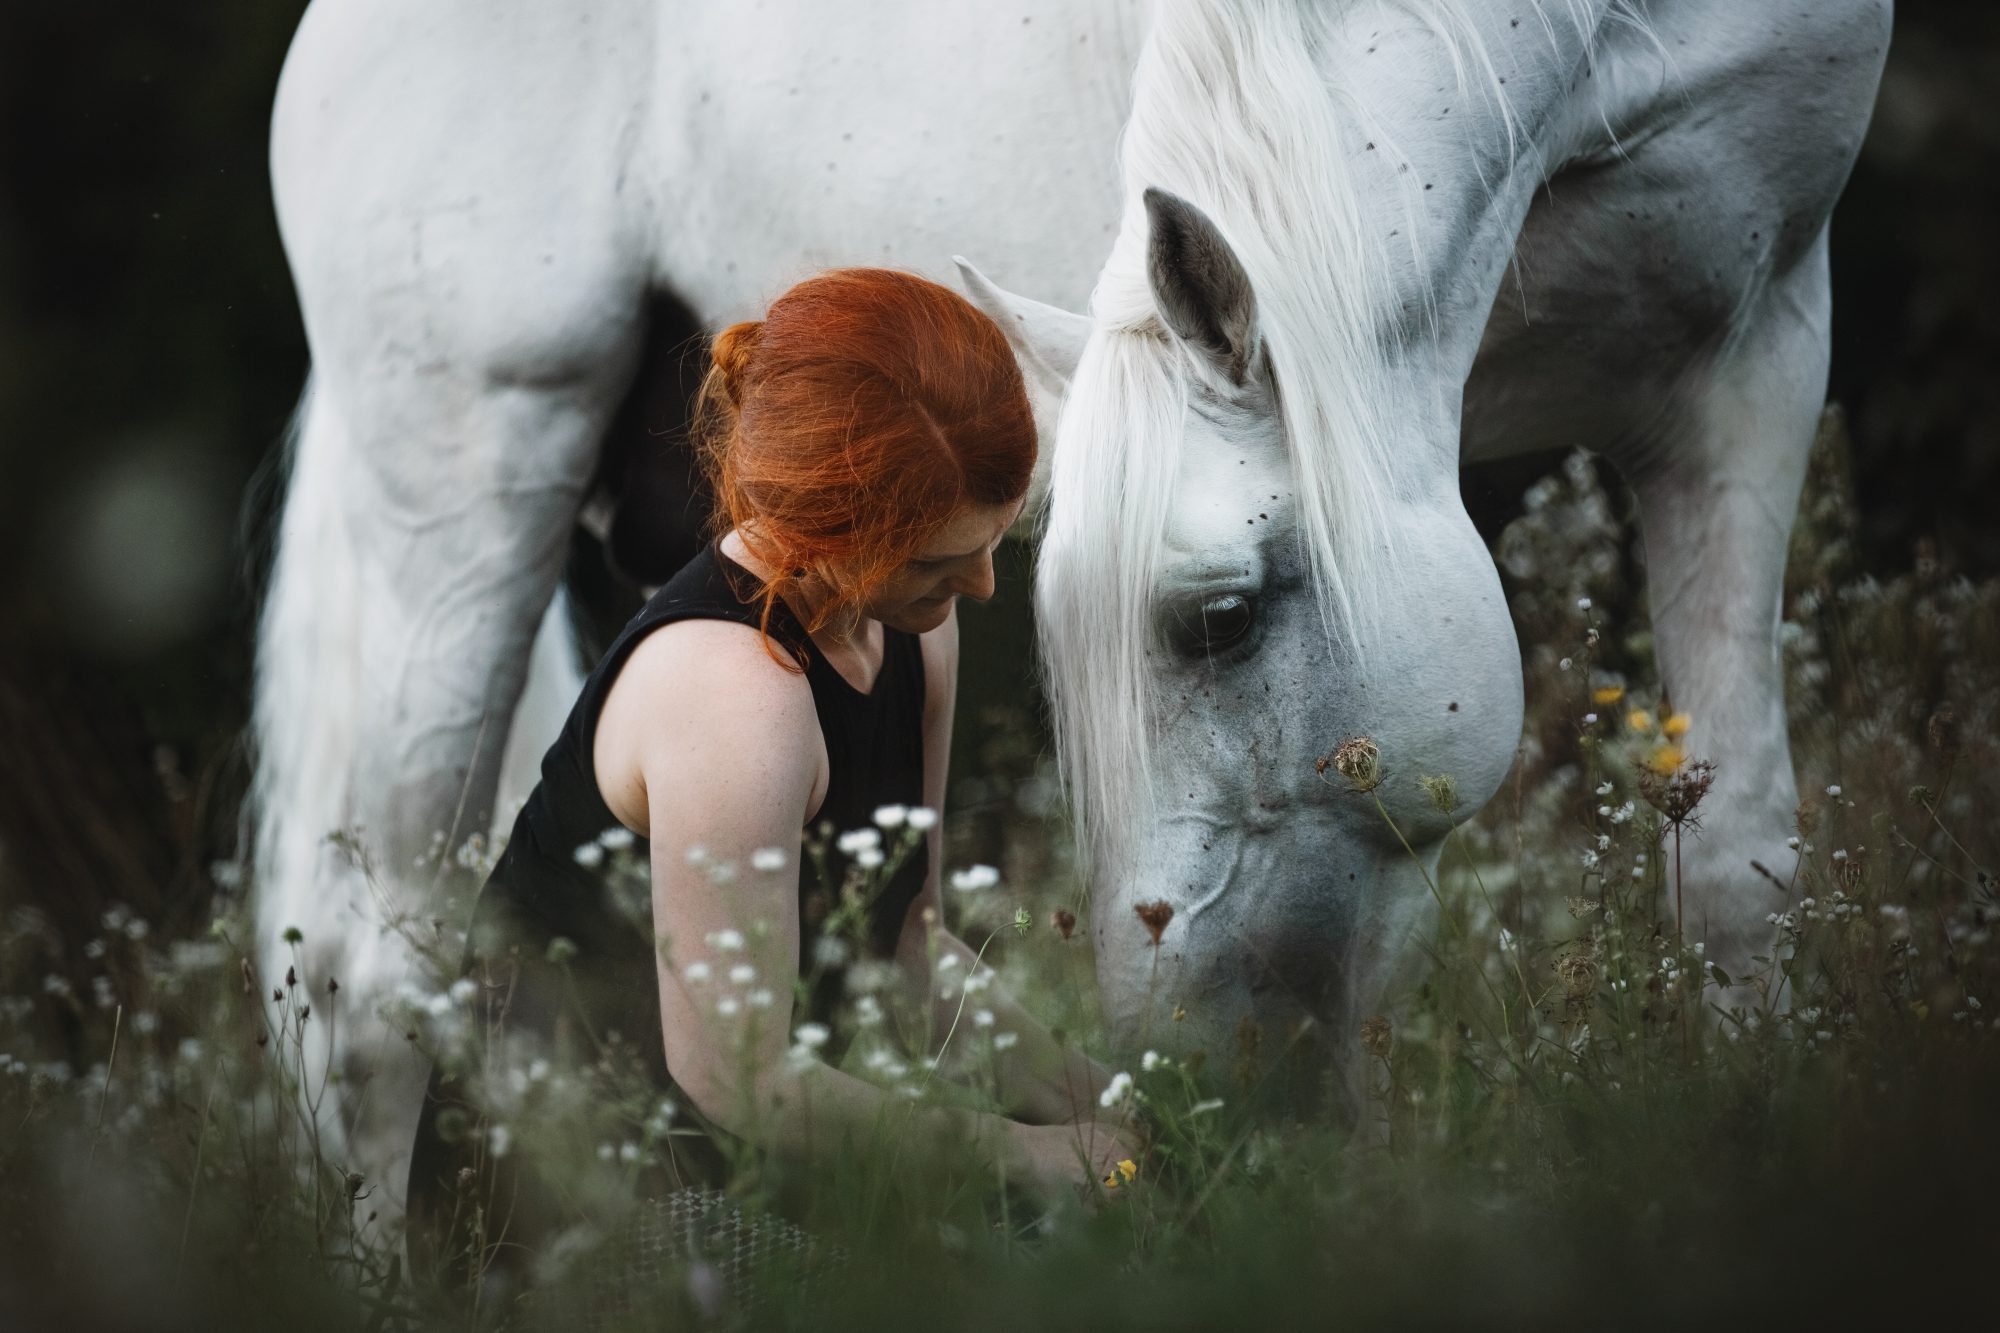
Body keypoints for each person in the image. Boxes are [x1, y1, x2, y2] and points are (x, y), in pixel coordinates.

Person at [405, 267, 1136, 1288]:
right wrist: (1026, 1155)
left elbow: (907, 948)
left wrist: (1105, 1102)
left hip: (761, 1145)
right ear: (826, 539)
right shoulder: (735, 695)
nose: (978, 584)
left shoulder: (912, 626)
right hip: (579, 1199)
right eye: (937, 564)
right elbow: (736, 1084)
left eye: (987, 543)